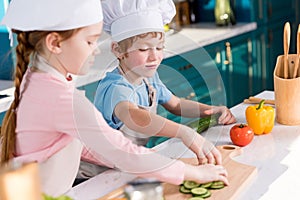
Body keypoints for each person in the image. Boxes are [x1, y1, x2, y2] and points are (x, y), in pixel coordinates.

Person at [0, 0, 228, 197]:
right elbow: (119, 147)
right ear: (55, 43)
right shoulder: (60, 98)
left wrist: (152, 160)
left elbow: (93, 145)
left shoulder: (39, 81)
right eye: (89, 42)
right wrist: (192, 172)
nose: (96, 50)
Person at [94, 0, 236, 160]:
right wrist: (182, 131)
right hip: (100, 170)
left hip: (128, 161)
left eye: (159, 47)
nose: (154, 56)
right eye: (144, 49)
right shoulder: (115, 87)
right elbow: (134, 116)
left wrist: (211, 110)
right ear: (118, 50)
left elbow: (176, 104)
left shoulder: (149, 78)